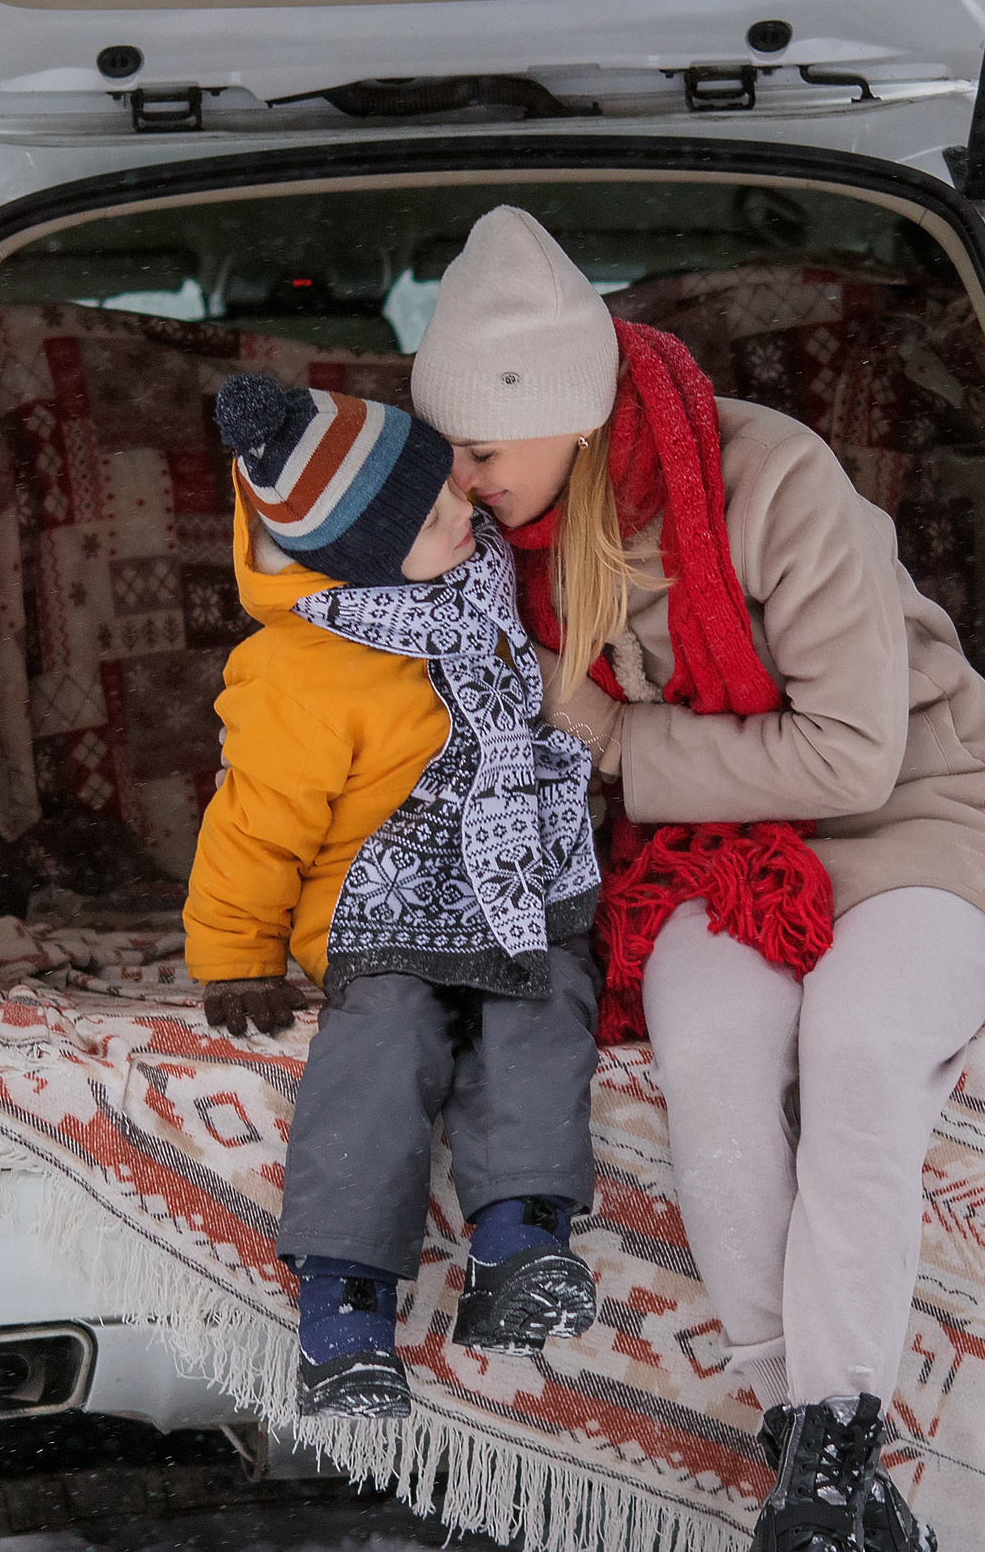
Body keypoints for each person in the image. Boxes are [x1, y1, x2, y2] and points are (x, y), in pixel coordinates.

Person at [410, 208, 985, 1552]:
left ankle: (837, 1432)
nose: (461, 485)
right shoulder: (505, 548)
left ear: (568, 415)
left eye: (477, 452)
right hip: (721, 853)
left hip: (916, 820)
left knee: (864, 1049)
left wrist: (616, 736)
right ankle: (819, 1466)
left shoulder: (771, 483)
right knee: (707, 1055)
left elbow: (857, 754)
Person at [182, 373, 603, 1420]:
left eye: (452, 490)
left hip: (501, 873)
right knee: (385, 1039)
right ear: (363, 555)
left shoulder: (475, 583)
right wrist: (235, 953)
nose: (469, 510)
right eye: (433, 513)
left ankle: (518, 1239)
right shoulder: (299, 672)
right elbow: (254, 822)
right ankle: (344, 1304)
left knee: (542, 999)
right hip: (375, 907)